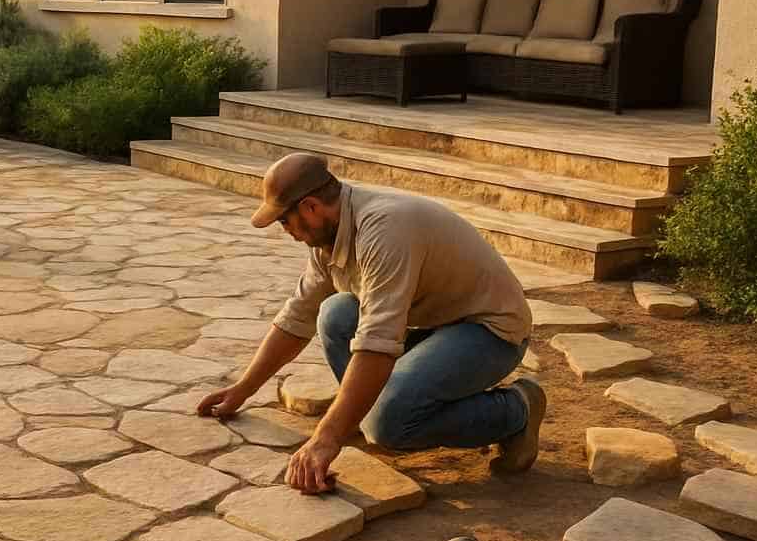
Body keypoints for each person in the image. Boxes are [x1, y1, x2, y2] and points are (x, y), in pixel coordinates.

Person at [198, 152, 546, 494]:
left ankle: (517, 411)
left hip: (489, 331)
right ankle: (363, 413)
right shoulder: (328, 238)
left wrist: (325, 439)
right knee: (335, 313)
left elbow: (377, 342)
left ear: (310, 207)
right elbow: (297, 317)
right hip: (433, 325)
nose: (286, 231)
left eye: (284, 221)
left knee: (389, 423)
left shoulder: (383, 229)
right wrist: (242, 389)